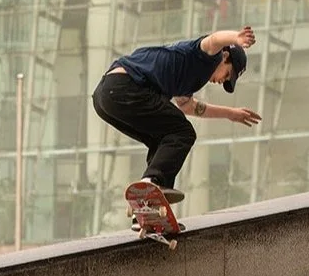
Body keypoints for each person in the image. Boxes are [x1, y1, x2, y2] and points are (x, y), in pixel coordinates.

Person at [91, 26, 261, 206]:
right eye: (227, 74)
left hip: (105, 97)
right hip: (125, 86)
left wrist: (230, 114)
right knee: (183, 133)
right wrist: (236, 38)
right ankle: (150, 185)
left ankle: (149, 206)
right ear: (225, 57)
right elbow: (214, 39)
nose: (222, 81)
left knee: (164, 139)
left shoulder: (190, 77)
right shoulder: (207, 55)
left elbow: (189, 107)